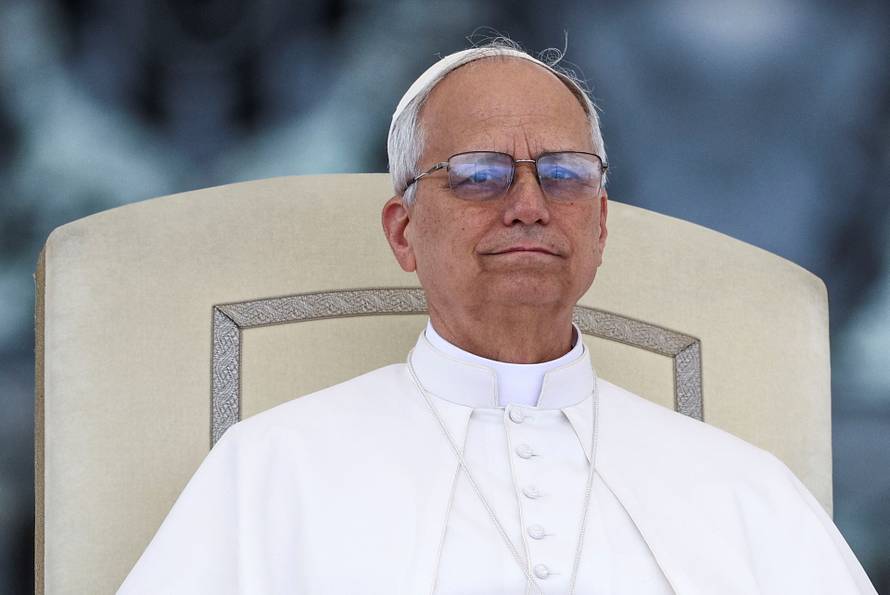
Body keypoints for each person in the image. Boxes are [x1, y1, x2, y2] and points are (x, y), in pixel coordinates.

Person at [118, 41, 877, 595]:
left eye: (564, 175)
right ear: (403, 231)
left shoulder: (745, 491)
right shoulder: (270, 471)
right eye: (479, 175)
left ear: (602, 225)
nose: (528, 206)